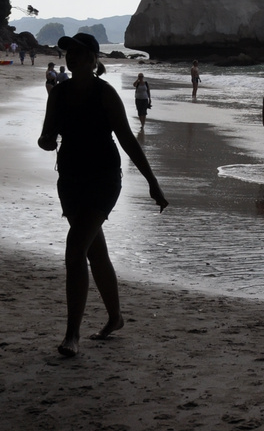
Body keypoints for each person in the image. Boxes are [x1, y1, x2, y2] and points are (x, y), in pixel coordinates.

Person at [37, 32, 166, 357]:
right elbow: (45, 135)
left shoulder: (105, 94)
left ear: (94, 60)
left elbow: (127, 139)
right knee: (94, 252)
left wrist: (152, 181)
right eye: (69, 53)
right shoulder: (59, 93)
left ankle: (72, 335)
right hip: (69, 180)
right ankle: (115, 318)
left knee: (74, 249)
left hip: (103, 180)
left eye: (78, 53)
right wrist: (47, 141)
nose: (71, 58)